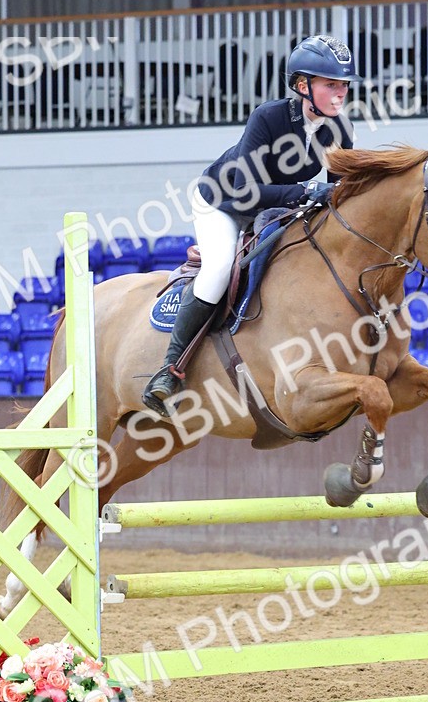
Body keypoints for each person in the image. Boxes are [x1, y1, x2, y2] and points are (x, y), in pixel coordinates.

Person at [142, 33, 358, 416]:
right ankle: (170, 370)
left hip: (272, 209)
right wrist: (307, 190)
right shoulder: (269, 117)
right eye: (331, 84)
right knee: (219, 270)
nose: (340, 93)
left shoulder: (339, 129)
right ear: (302, 85)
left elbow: (340, 192)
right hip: (224, 204)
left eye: (343, 85)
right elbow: (247, 192)